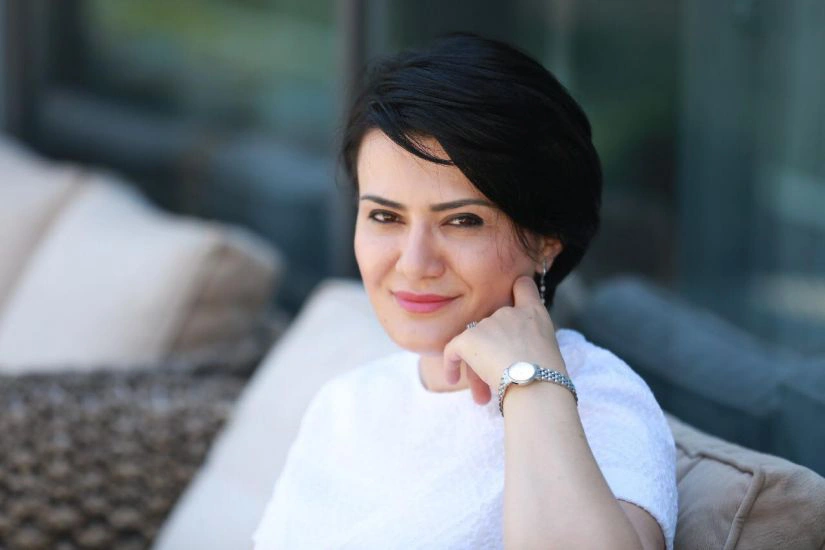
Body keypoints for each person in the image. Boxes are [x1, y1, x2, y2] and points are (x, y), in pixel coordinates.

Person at [253, 33, 677, 549]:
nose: (415, 264)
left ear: (546, 242)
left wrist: (530, 384)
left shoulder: (602, 402)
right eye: (385, 216)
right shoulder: (346, 404)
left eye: (463, 221)